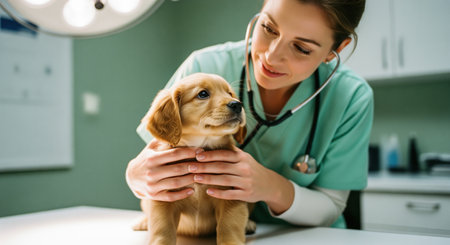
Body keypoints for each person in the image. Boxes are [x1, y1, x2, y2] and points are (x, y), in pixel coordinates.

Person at [126, 0, 372, 228]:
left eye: (301, 48)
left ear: (335, 49)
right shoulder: (203, 68)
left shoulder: (351, 97)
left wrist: (271, 187)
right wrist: (134, 177)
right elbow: (156, 163)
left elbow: (331, 207)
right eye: (268, 28)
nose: (271, 56)